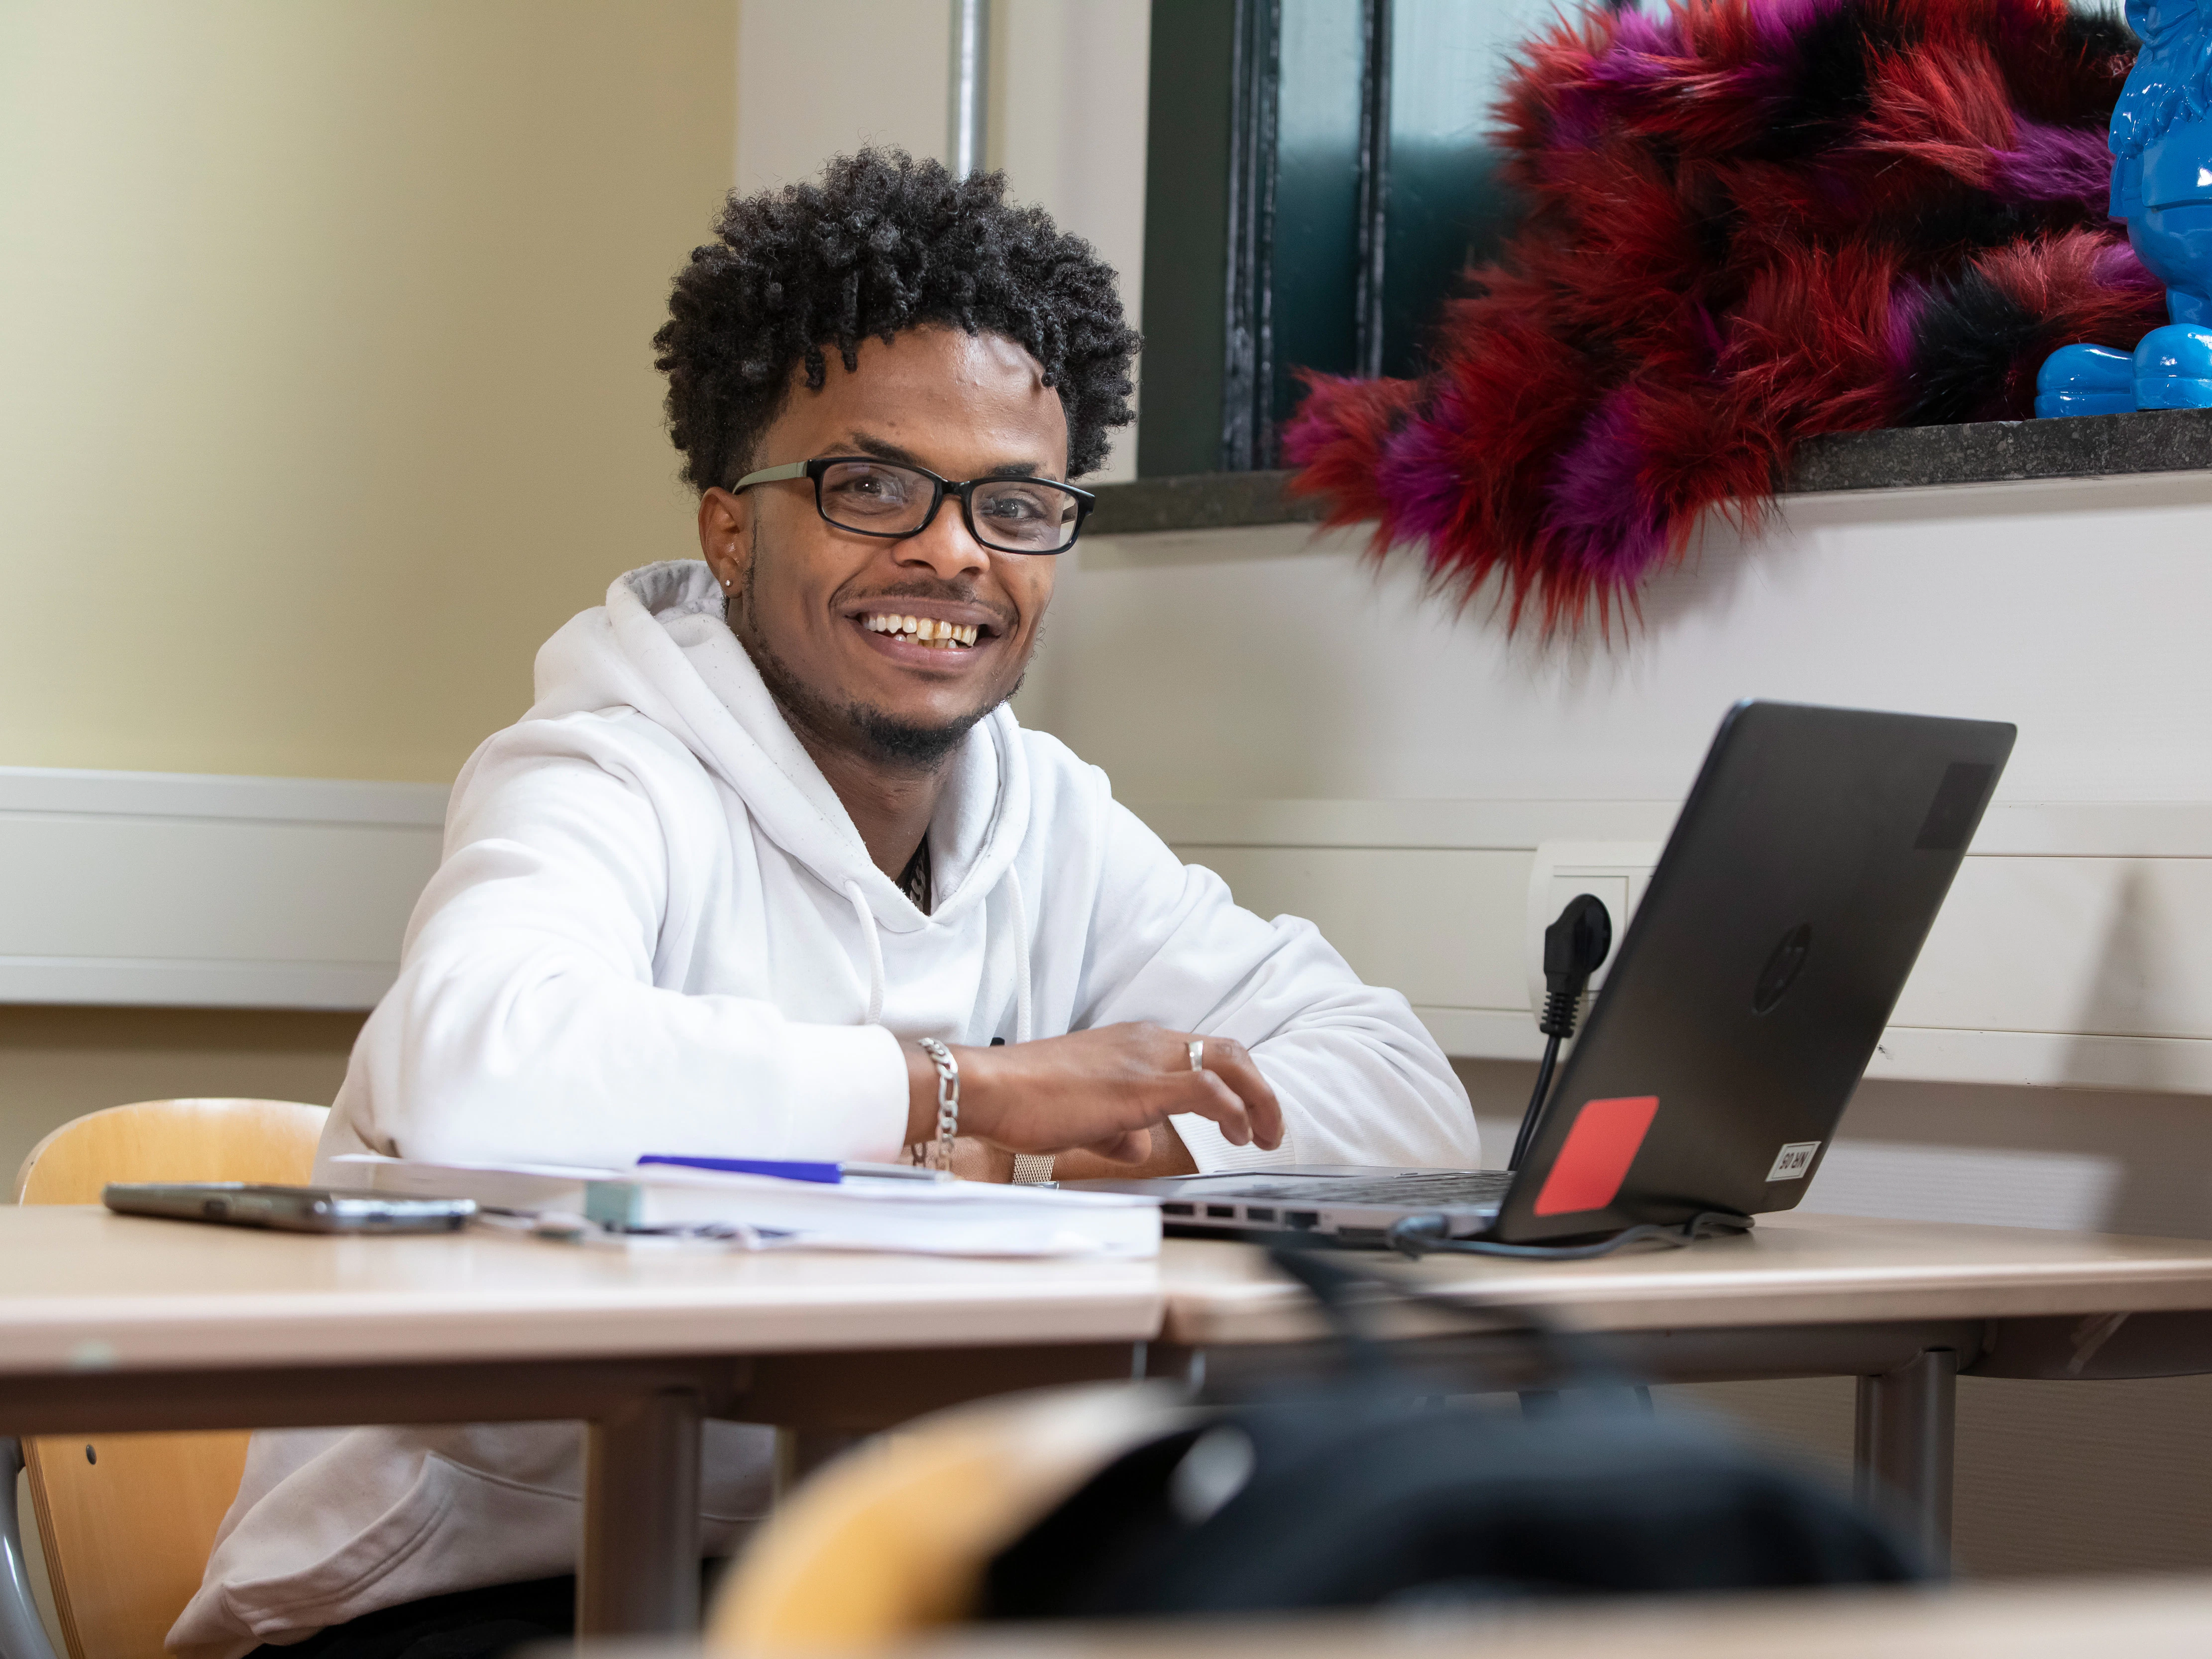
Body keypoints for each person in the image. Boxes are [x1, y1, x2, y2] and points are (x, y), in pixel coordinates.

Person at [172, 148, 1478, 1659]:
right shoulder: (598, 766)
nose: (951, 550)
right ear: (731, 528)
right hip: (455, 1593)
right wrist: (963, 1094)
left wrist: (1112, 1147)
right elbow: (478, 1064)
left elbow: (1401, 1089)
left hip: (855, 1581)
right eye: (872, 488)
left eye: (1014, 501)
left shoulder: (1048, 812)